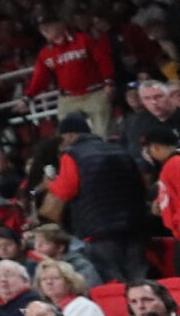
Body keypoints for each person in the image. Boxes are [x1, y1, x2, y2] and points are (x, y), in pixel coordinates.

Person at [39, 113, 156, 283]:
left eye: (63, 138)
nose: (63, 142)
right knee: (139, 276)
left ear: (71, 135)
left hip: (99, 227)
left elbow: (66, 190)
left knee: (113, 280)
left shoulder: (73, 154)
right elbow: (141, 182)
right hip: (133, 224)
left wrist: (50, 184)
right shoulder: (120, 149)